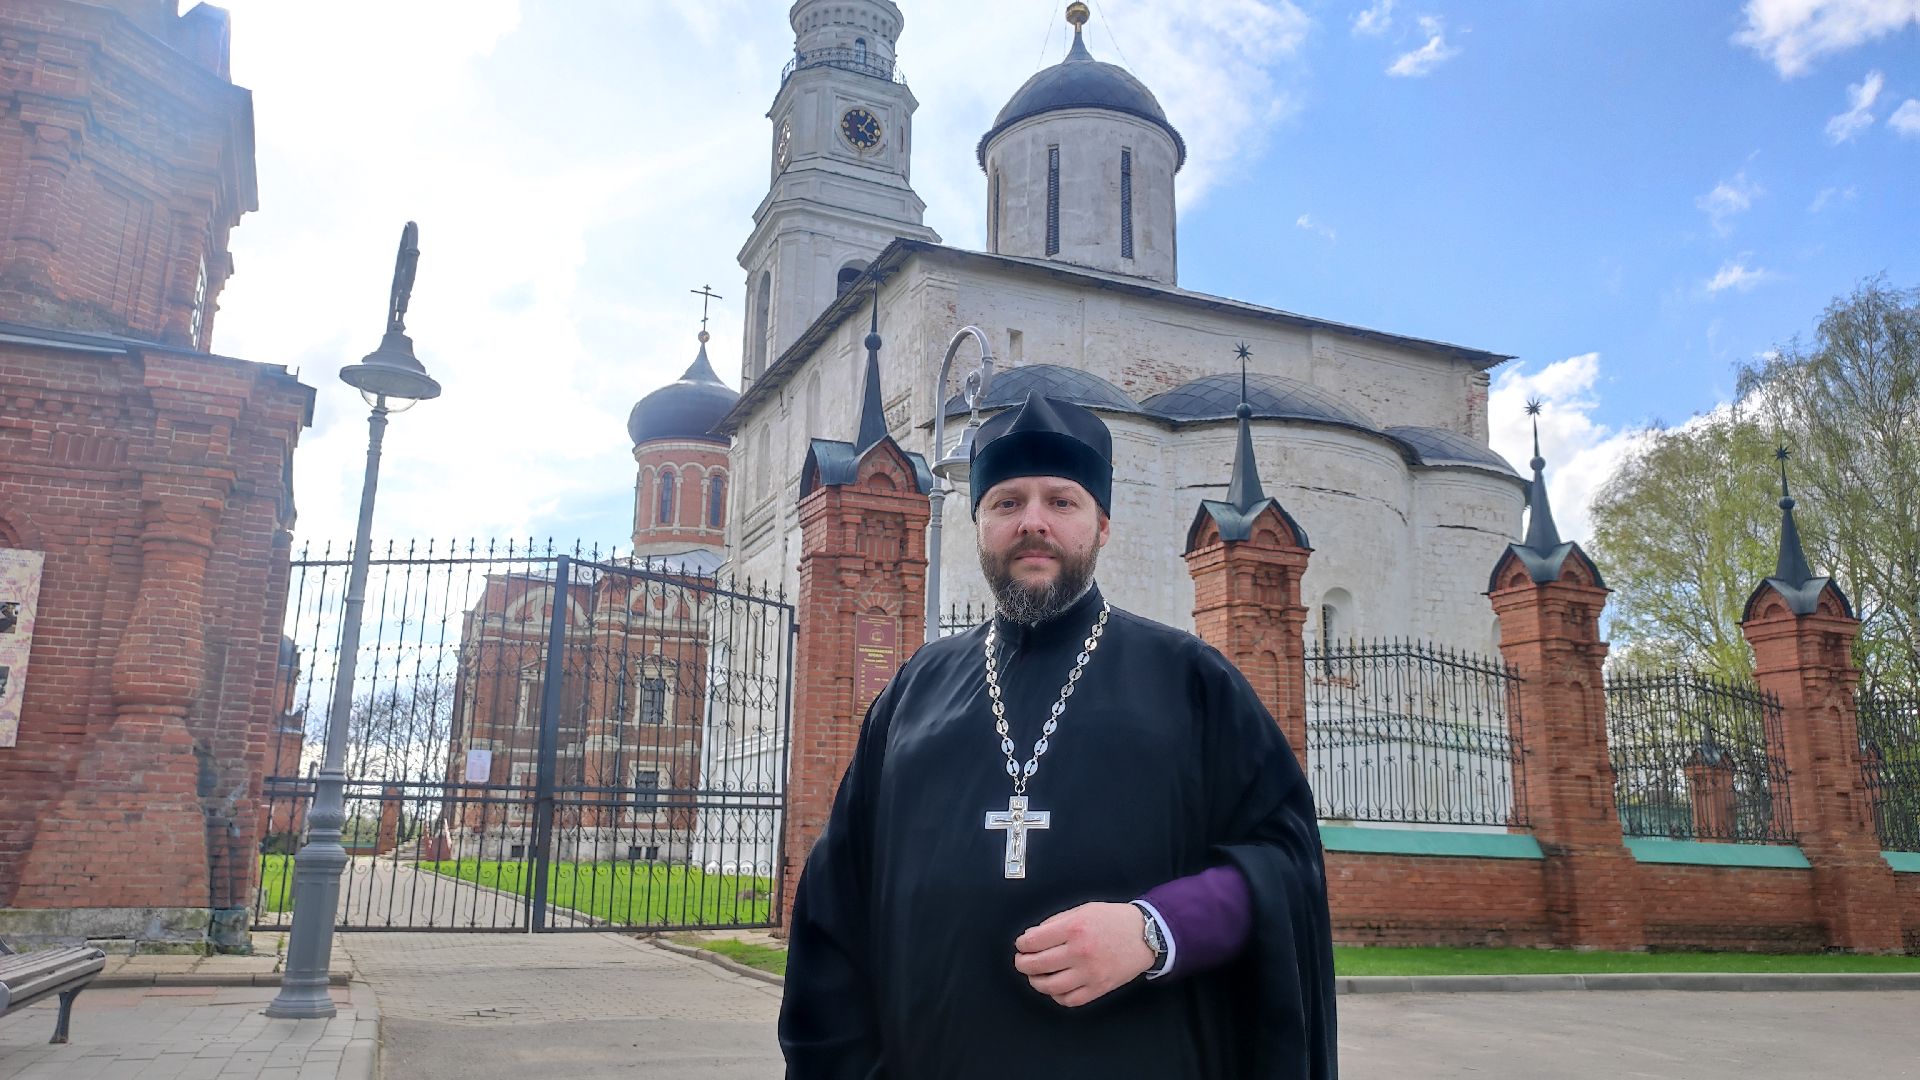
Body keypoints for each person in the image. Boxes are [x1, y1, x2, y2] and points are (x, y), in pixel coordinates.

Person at [779, 393, 1337, 1079]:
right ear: (979, 522)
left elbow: (1286, 867)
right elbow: (834, 914)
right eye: (1007, 502)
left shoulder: (1191, 682)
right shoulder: (913, 695)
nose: (1032, 523)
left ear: (1102, 525)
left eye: (1061, 502)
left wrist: (1156, 930)